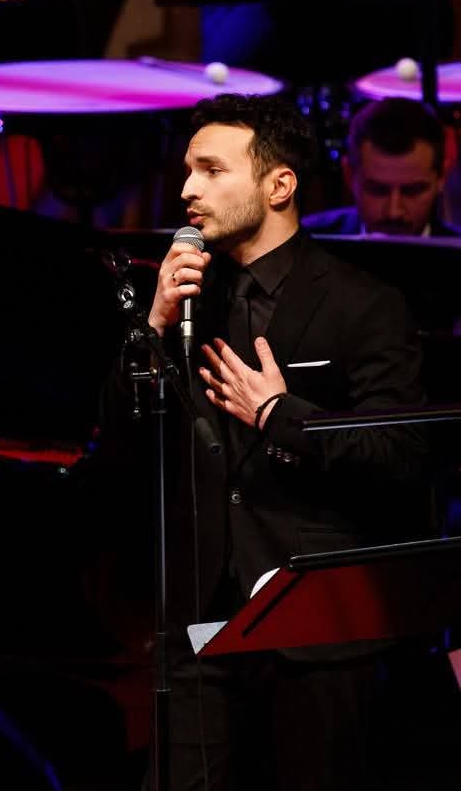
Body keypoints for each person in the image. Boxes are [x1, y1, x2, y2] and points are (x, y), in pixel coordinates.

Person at [142, 94, 432, 789]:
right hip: (201, 628)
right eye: (188, 170)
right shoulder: (186, 297)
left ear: (279, 186)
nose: (187, 190)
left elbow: (401, 453)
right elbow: (121, 440)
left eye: (212, 170)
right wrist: (152, 327)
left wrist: (280, 414)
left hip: (315, 633)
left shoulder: (364, 304)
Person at [301, 96, 458, 237]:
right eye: (377, 190)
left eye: (413, 191)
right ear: (349, 175)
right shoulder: (302, 244)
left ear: (442, 177)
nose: (394, 213)